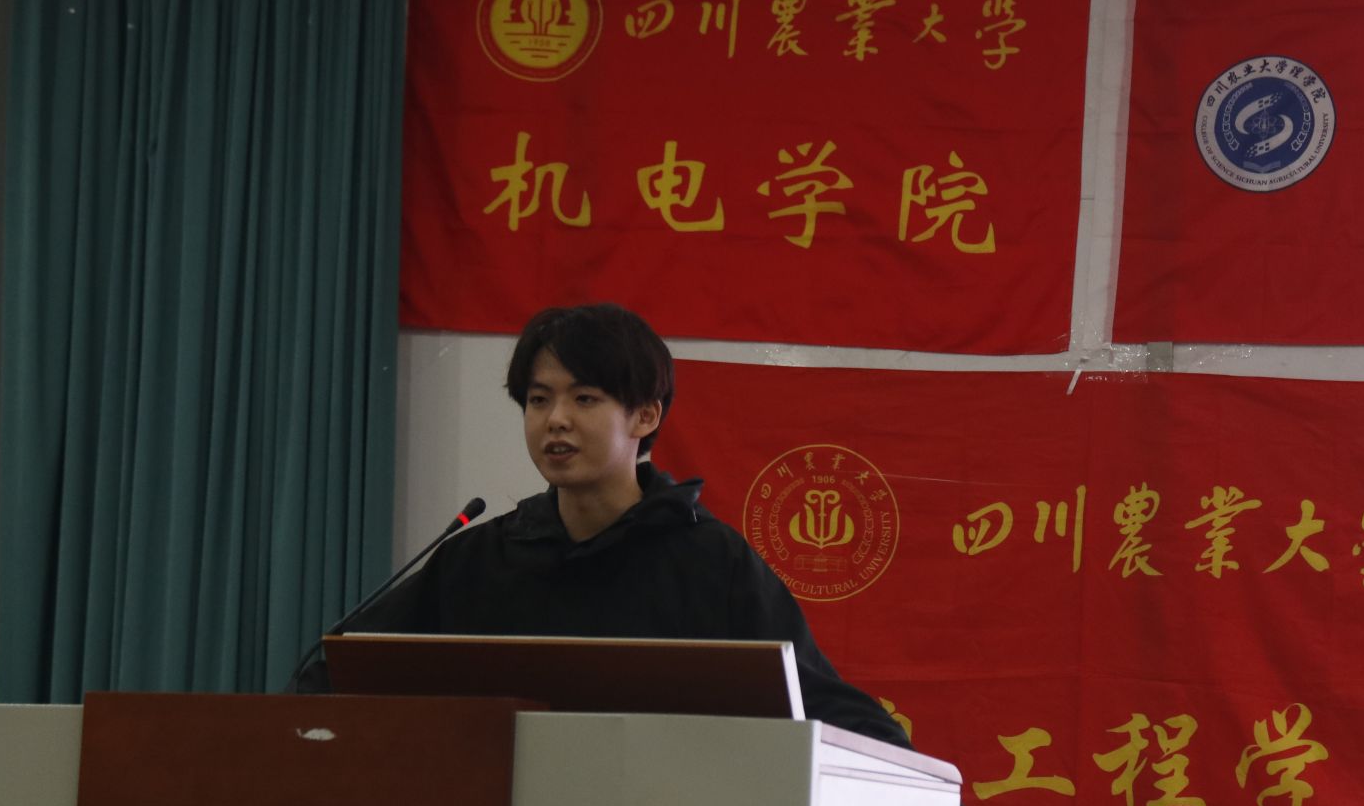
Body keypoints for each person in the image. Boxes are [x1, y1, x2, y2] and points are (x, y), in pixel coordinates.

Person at [305, 302, 912, 750]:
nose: (556, 420)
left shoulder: (710, 561)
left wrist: (928, 796)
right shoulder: (480, 558)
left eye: (584, 399)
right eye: (539, 400)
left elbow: (816, 698)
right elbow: (342, 672)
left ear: (644, 416)